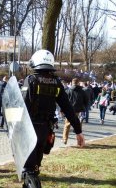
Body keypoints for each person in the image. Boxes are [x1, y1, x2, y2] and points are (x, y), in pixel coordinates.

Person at [21, 50, 85, 188]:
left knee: (28, 169)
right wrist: (78, 131)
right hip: (45, 129)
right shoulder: (56, 83)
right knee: (36, 166)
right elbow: (68, 108)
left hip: (29, 128)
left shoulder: (31, 80)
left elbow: (22, 106)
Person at [62, 78, 88, 145]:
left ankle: (65, 139)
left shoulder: (68, 90)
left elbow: (64, 101)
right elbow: (86, 101)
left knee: (67, 124)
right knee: (77, 125)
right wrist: (83, 107)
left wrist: (63, 110)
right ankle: (79, 141)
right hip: (78, 109)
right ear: (78, 83)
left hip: (69, 109)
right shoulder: (82, 91)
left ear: (72, 83)